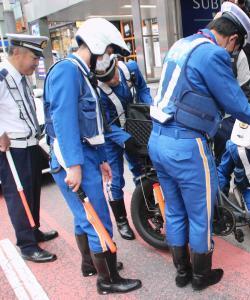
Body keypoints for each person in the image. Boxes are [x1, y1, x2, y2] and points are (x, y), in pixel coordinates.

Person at [149, 1, 250, 291]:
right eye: (237, 49)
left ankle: (182, 271)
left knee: (174, 209)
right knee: (200, 213)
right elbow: (237, 105)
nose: (233, 54)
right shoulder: (214, 55)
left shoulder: (181, 44)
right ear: (233, 39)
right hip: (187, 146)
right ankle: (200, 276)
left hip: (157, 139)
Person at [44, 18, 141, 294]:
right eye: (109, 51)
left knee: (82, 216)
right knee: (97, 216)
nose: (109, 57)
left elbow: (92, 124)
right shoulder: (68, 72)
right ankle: (107, 280)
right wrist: (74, 165)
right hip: (73, 158)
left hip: (86, 155)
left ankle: (91, 264)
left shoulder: (82, 73)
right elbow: (64, 123)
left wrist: (101, 159)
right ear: (98, 46)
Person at [0, 34, 58, 263]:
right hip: (14, 149)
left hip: (31, 144)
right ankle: (26, 245)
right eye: (34, 57)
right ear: (17, 53)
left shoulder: (21, 77)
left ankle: (33, 230)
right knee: (19, 196)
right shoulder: (2, 77)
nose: (37, 63)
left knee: (33, 191)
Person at [96, 55, 152, 240]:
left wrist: (148, 108)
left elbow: (143, 89)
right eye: (107, 80)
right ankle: (121, 221)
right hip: (112, 137)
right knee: (115, 178)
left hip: (136, 127)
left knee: (141, 170)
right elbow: (103, 123)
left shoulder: (131, 69)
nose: (112, 81)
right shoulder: (97, 90)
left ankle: (146, 208)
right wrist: (123, 138)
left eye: (113, 75)